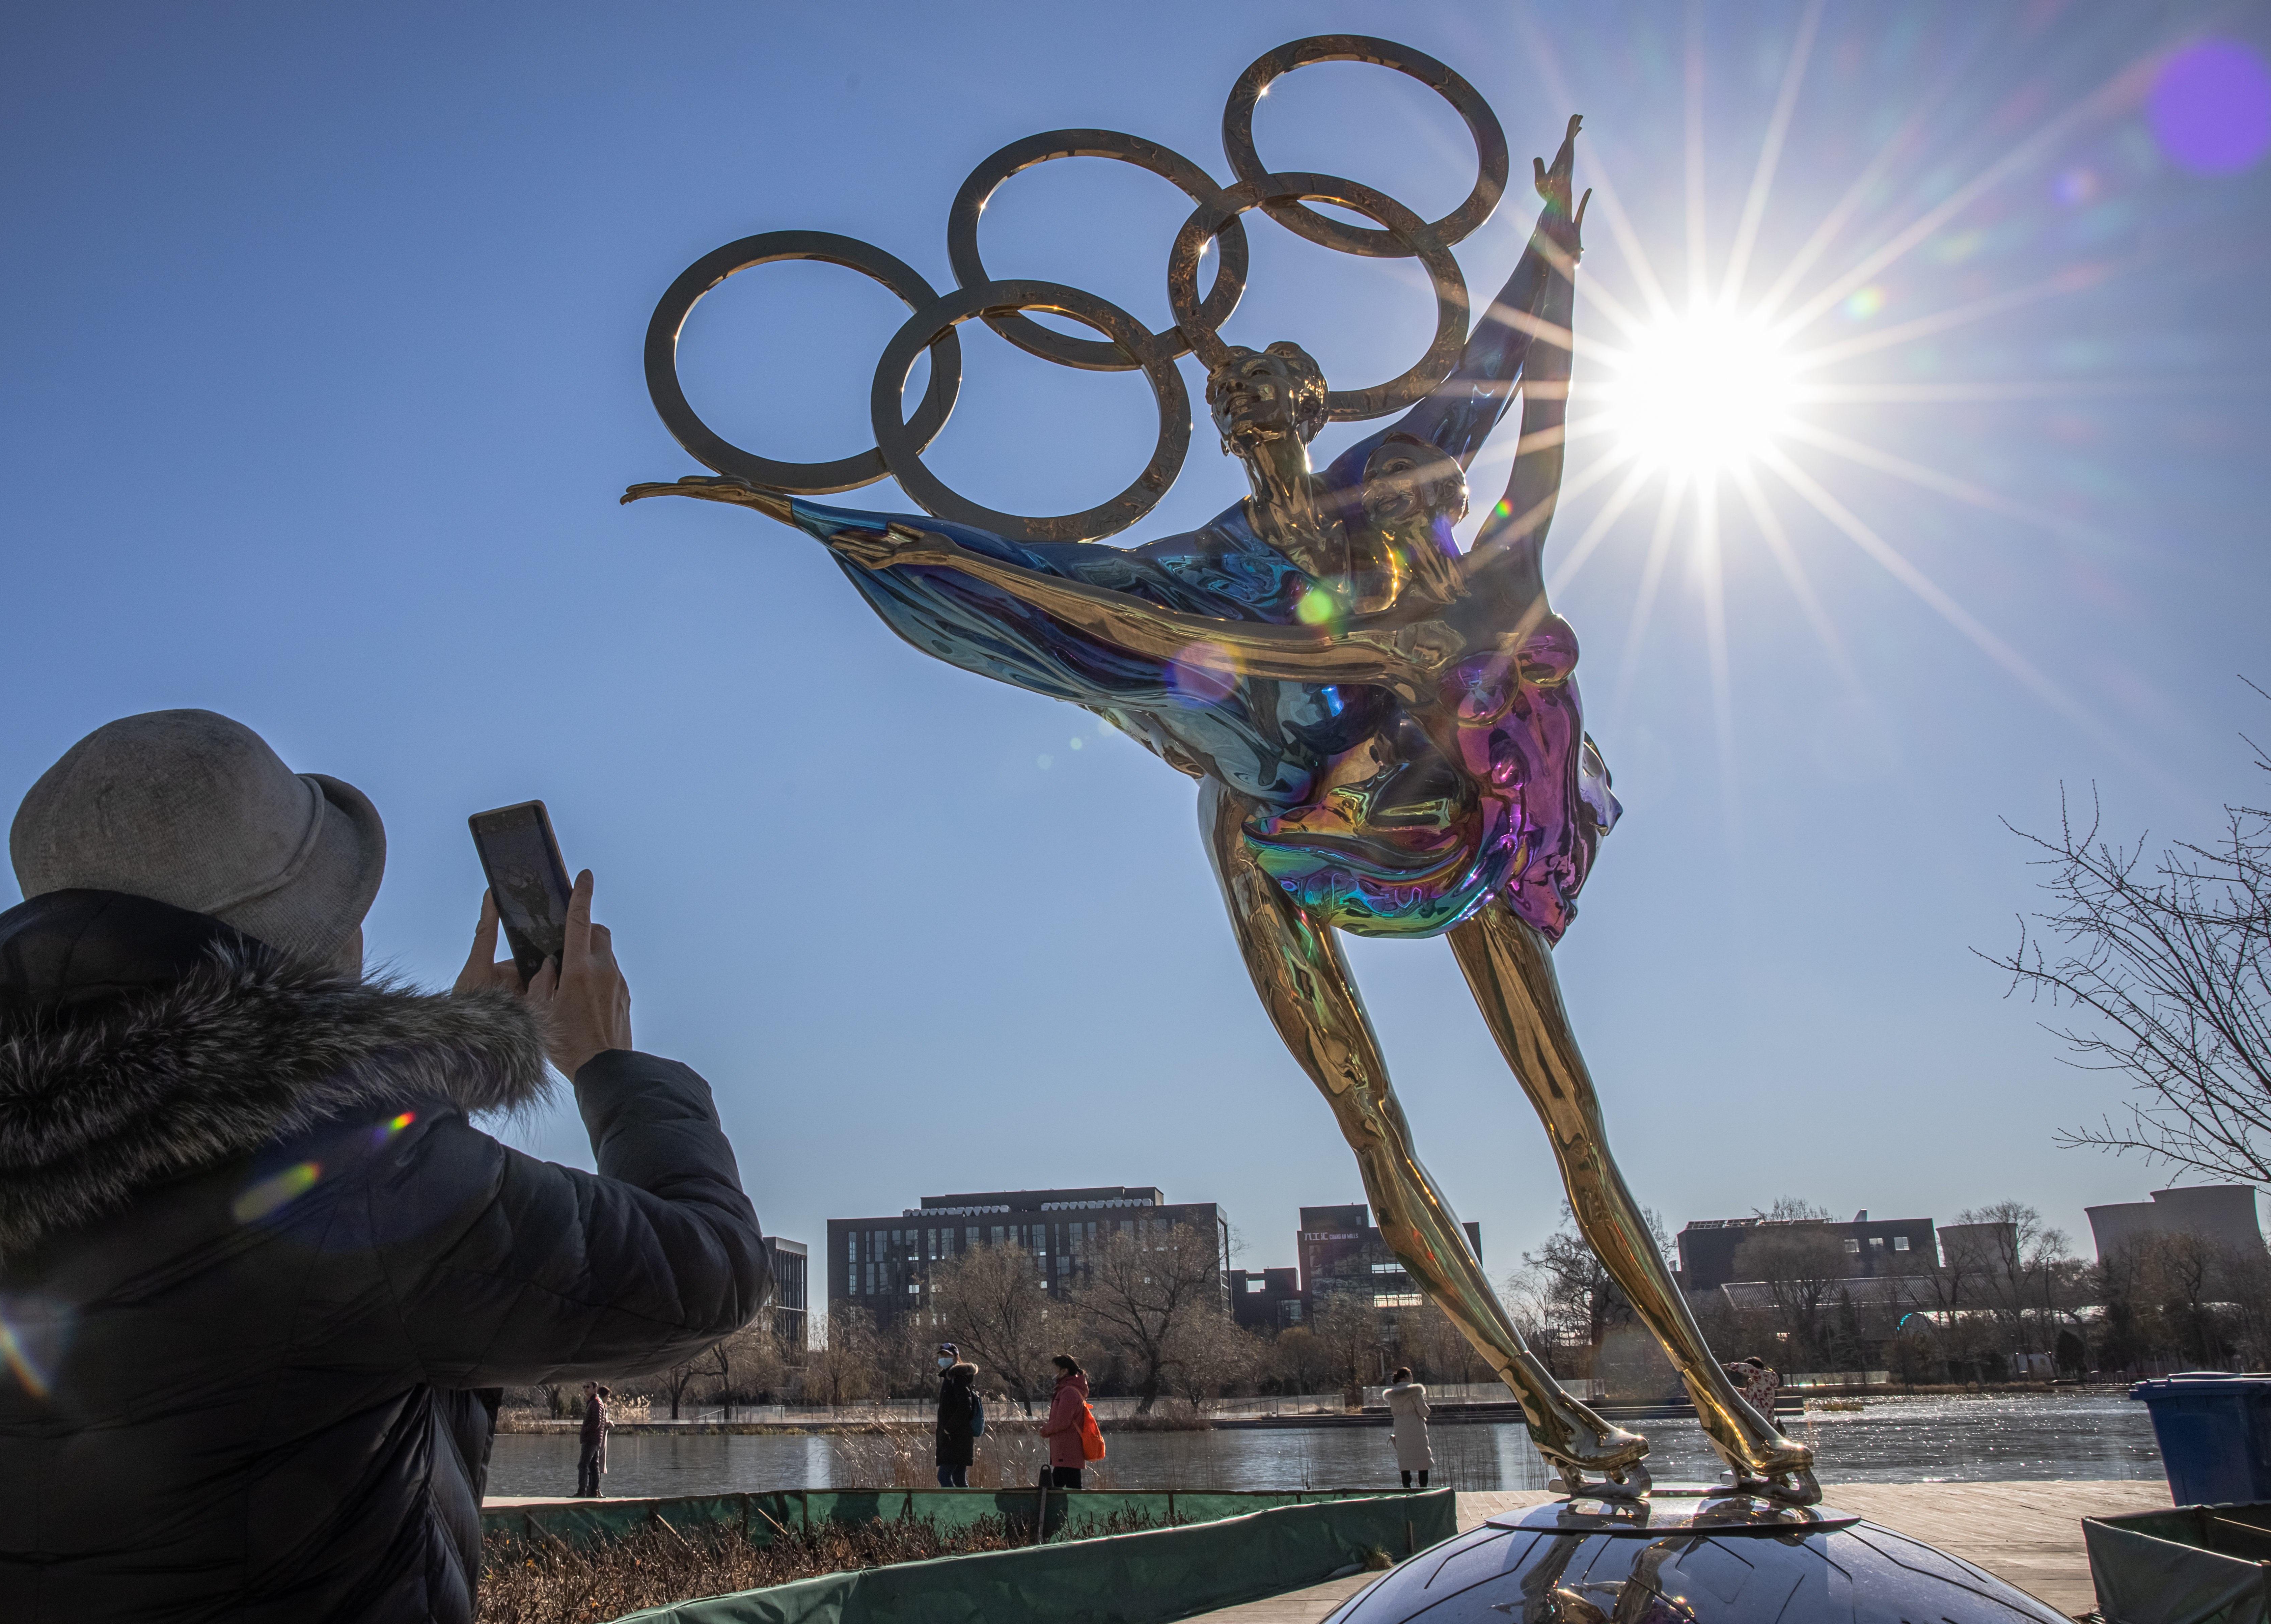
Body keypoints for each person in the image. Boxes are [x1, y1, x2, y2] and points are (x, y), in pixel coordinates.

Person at [627, 121, 1817, 1506]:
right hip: (1278, 849)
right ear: (1222, 426)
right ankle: (1552, 1414)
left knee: (1571, 1111)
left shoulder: (1391, 479)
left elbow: (1504, 385)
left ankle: (1724, 1412)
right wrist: (851, 524)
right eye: (1236, 401)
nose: (1255, 411)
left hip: (1434, 819)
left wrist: (1553, 243)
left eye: (1274, 392)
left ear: (1309, 409)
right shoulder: (1202, 565)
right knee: (1371, 1124)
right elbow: (1060, 593)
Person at [0, 708, 769, 1624]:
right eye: (344, 906)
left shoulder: (2, 1164)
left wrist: (419, 1082)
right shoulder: (354, 1181)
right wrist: (609, 1063)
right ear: (299, 940)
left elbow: (282, 1309)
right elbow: (706, 1271)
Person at [933, 1344, 982, 1487]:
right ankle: (968, 1510)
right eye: (941, 1355)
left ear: (955, 1357)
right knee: (960, 1479)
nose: (943, 1358)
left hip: (956, 1439)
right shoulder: (949, 1379)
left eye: (947, 1356)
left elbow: (966, 1407)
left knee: (943, 1477)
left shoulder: (957, 1378)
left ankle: (952, 1510)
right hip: (957, 1439)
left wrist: (948, 1429)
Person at [1041, 1353, 1091, 1489]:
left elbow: (1064, 1421)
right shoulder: (1067, 1390)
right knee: (1056, 1489)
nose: (1053, 1372)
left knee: (1069, 1490)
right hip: (1066, 1453)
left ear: (1064, 1371)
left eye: (1056, 1368)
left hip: (1067, 1452)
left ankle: (1047, 1510)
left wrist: (1046, 1430)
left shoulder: (1069, 1392)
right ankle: (1050, 1510)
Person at [1381, 1366, 1433, 1490]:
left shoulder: (1392, 1395)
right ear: (1405, 1377)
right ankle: (1423, 1488)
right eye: (1410, 1375)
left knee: (1405, 1458)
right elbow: (1424, 1412)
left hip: (1400, 1429)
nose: (1412, 1377)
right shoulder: (1414, 1392)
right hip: (1416, 1429)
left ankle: (1406, 1486)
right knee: (1422, 1459)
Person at [577, 1382, 613, 1498]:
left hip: (591, 1439)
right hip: (596, 1439)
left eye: (589, 1387)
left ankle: (582, 1492)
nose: (586, 1389)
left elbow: (596, 1423)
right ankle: (594, 1492)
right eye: (584, 1387)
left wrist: (584, 1431)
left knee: (583, 1465)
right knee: (594, 1466)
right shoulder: (594, 1402)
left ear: (595, 1389)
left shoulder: (596, 1403)